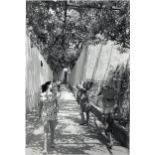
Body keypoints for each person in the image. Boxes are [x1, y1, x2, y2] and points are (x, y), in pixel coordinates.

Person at [39, 81, 59, 154]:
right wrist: (39, 114)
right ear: (48, 87)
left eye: (53, 86)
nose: (52, 87)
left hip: (53, 115)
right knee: (46, 132)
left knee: (52, 130)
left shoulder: (55, 95)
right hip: (45, 115)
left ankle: (52, 142)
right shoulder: (42, 95)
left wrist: (56, 110)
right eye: (51, 86)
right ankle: (45, 148)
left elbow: (57, 105)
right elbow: (40, 105)